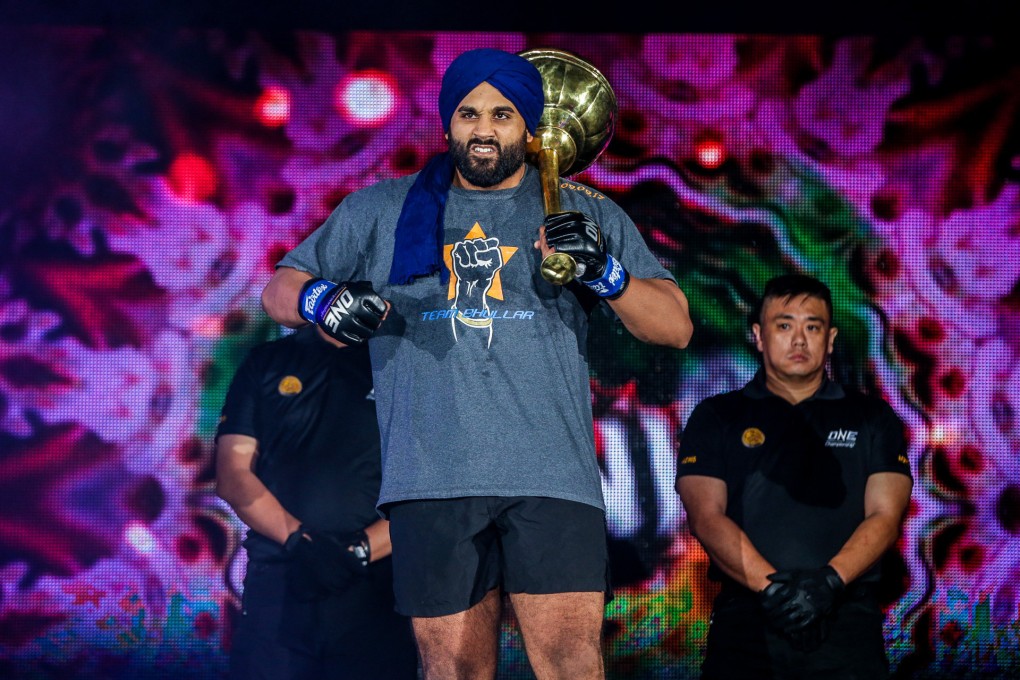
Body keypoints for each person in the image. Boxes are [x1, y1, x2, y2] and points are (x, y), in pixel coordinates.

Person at [260, 48, 693, 679]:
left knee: (572, 664)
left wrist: (607, 273)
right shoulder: (381, 209)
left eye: (502, 114)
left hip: (553, 479)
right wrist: (320, 298)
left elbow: (675, 325)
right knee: (453, 669)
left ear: (529, 127)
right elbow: (279, 291)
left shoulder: (582, 210)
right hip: (431, 481)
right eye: (468, 114)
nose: (484, 129)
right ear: (447, 124)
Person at [675, 274, 913, 679]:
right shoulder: (717, 416)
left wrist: (828, 584)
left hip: (847, 622)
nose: (799, 339)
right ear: (759, 335)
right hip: (747, 623)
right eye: (784, 325)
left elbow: (886, 516)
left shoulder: (873, 417)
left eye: (812, 326)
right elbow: (705, 517)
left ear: (831, 338)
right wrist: (774, 591)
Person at [215, 324, 418, 679]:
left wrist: (360, 550)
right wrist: (300, 540)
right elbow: (233, 473)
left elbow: (427, 487)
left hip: (376, 590)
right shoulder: (268, 359)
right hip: (281, 579)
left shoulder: (403, 366)